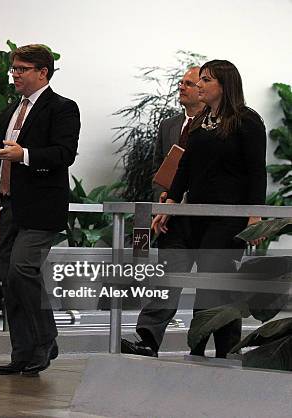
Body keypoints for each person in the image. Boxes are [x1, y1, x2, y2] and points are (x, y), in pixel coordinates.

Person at [151, 59, 266, 358]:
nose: (198, 85)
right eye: (199, 79)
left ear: (224, 86)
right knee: (211, 283)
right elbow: (185, 166)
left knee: (215, 283)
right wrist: (171, 204)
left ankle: (217, 349)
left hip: (229, 217)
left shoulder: (246, 120)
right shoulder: (202, 120)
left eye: (205, 80)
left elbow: (257, 171)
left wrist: (255, 214)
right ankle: (202, 349)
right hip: (197, 216)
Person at [0, 45, 80, 376]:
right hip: (9, 204)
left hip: (42, 207)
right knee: (9, 280)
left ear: (43, 72)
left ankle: (45, 341)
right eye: (13, 69)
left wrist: (24, 155)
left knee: (22, 270)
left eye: (21, 69)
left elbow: (64, 153)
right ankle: (22, 351)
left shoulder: (62, 108)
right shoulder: (11, 111)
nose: (14, 74)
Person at [121, 67, 205, 357]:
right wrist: (162, 204)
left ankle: (202, 344)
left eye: (189, 83)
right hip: (169, 220)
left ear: (204, 90)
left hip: (205, 217)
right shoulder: (169, 124)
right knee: (166, 280)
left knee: (210, 287)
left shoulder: (215, 126)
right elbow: (159, 169)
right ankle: (147, 339)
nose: (182, 87)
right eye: (180, 82)